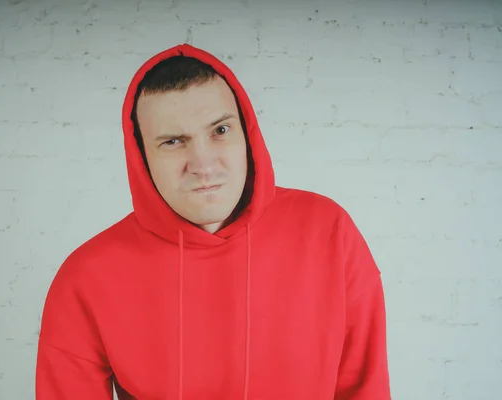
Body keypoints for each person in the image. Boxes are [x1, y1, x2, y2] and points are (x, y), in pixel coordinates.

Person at [35, 43, 391, 400]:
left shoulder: (328, 232)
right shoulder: (87, 276)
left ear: (246, 133)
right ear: (140, 156)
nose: (203, 165)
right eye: (173, 141)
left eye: (220, 131)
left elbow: (366, 389)